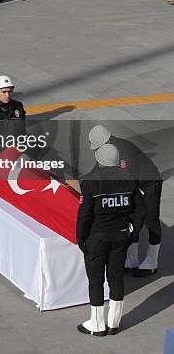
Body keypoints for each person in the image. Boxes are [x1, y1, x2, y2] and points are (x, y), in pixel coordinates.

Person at [76, 143, 145, 336]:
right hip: (120, 236)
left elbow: (84, 216)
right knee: (116, 279)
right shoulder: (129, 180)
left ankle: (97, 325)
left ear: (99, 160)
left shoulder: (90, 182)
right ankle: (114, 323)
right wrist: (131, 231)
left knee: (96, 281)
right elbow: (140, 210)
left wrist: (81, 239)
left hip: (96, 239)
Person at [88, 125, 162, 277]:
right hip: (133, 185)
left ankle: (152, 261)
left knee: (151, 221)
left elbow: (126, 179)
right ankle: (131, 260)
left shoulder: (124, 152)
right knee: (132, 220)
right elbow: (99, 169)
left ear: (107, 140)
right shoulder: (107, 150)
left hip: (149, 184)